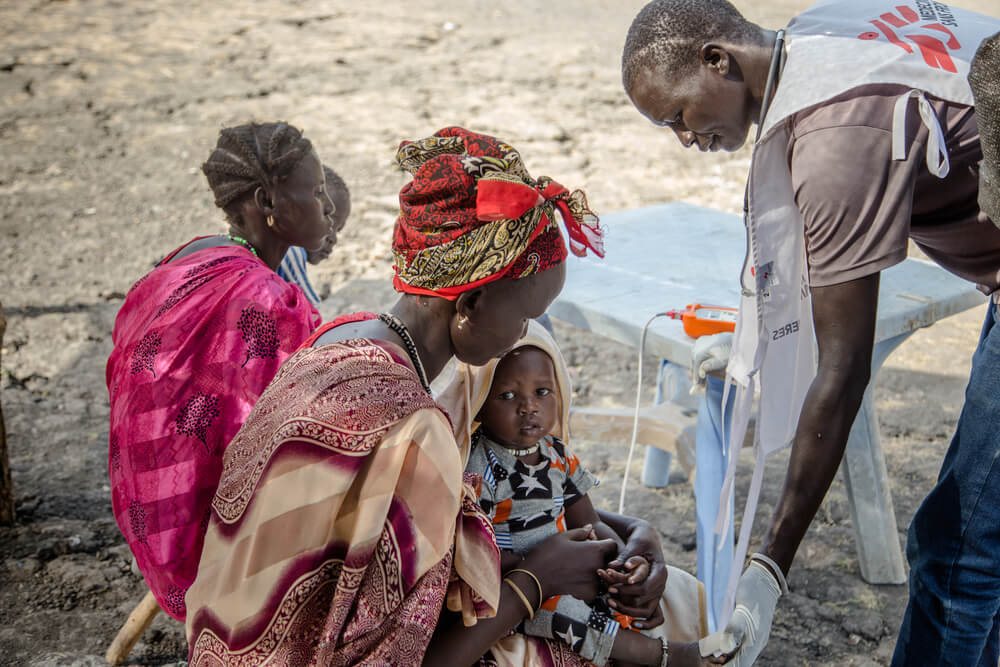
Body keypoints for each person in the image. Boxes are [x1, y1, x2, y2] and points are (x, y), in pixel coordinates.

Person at [621, 1, 1000, 665]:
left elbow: (843, 365)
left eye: (677, 115)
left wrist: (769, 568)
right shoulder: (826, 31)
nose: (683, 138)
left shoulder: (834, 140)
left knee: (960, 546)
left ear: (719, 60)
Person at [183, 126, 642, 665]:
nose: (523, 335)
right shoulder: (412, 431)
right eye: (523, 316)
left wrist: (633, 530)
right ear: (469, 303)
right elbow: (417, 658)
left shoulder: (343, 337)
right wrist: (537, 581)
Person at [105, 121, 331, 621]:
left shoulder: (192, 256)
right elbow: (299, 431)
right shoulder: (266, 303)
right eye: (315, 192)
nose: (328, 206)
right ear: (266, 201)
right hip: (204, 546)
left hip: (147, 510)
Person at [449, 319, 708, 666]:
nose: (528, 407)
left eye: (542, 392)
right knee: (570, 615)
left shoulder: (558, 455)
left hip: (568, 569)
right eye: (508, 396)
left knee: (618, 600)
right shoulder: (480, 467)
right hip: (519, 592)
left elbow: (588, 521)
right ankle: (666, 656)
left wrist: (619, 560)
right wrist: (542, 571)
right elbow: (476, 551)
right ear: (478, 402)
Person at [277, 166, 351, 306]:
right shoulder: (290, 253)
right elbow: (315, 314)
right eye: (327, 218)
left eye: (338, 230)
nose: (333, 239)